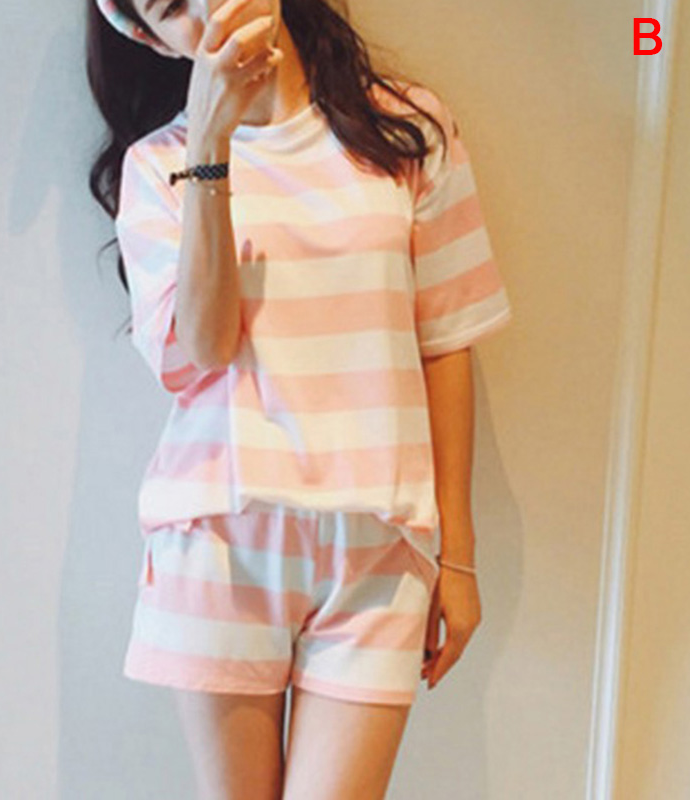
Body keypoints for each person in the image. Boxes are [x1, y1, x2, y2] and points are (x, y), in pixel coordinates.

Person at [87, 0, 513, 797]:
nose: (208, 7)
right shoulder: (157, 167)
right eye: (171, 8)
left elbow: (446, 340)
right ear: (149, 39)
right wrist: (209, 146)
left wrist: (458, 556)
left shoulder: (408, 129)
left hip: (379, 548)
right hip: (222, 539)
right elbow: (205, 346)